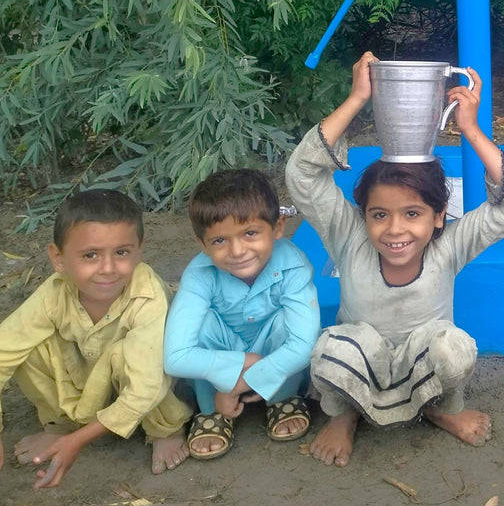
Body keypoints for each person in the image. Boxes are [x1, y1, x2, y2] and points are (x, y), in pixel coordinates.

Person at [285, 51, 504, 467]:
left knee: (454, 347)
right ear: (363, 217)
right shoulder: (350, 237)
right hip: (361, 366)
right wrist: (357, 98)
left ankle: (441, 409)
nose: (395, 230)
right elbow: (303, 175)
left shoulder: (449, 246)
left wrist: (469, 128)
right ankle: (343, 416)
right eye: (379, 215)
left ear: (438, 217)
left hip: (424, 368)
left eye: (412, 214)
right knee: (331, 348)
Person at [0, 190, 191, 488]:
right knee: (31, 347)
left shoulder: (147, 296)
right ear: (58, 258)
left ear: (140, 250)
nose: (108, 268)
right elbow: (3, 351)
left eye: (122, 252)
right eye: (90, 255)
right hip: (97, 374)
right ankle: (60, 424)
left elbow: (147, 386)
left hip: (150, 382)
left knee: (135, 355)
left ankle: (165, 430)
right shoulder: (54, 294)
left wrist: (79, 442)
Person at [164, 169, 321, 461]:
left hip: (273, 358)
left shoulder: (293, 265)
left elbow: (304, 345)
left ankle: (282, 398)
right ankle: (210, 410)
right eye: (219, 241)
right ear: (202, 244)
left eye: (250, 233)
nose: (237, 251)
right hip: (225, 353)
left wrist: (242, 382)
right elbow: (175, 356)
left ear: (277, 227)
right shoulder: (199, 275)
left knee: (286, 323)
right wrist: (242, 362)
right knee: (203, 325)